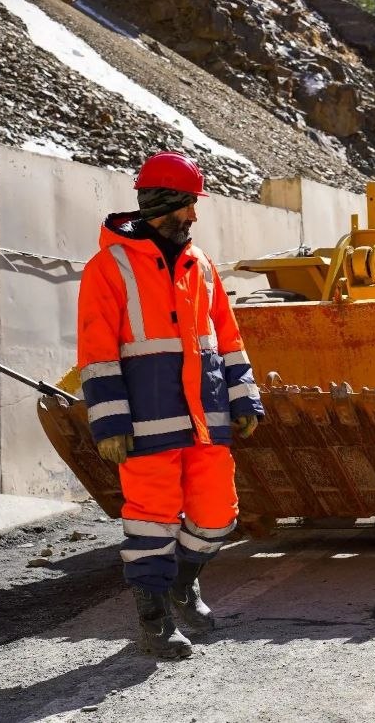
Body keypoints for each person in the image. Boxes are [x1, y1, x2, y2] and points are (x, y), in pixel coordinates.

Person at [76, 151, 264, 659]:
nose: (194, 216)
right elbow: (96, 351)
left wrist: (244, 396)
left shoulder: (200, 264)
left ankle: (183, 583)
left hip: (207, 419)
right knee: (151, 521)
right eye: (187, 205)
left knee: (217, 514)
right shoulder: (107, 268)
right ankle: (155, 619)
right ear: (161, 203)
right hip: (146, 423)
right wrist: (110, 422)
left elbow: (227, 337)